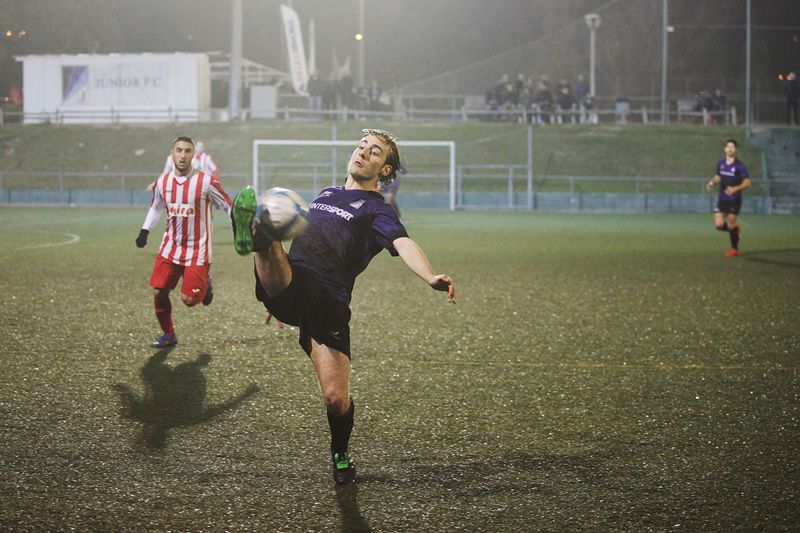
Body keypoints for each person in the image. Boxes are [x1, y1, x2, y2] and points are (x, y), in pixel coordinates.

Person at [230, 129, 456, 485]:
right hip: (291, 282)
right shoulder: (326, 194)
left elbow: (403, 242)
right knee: (271, 236)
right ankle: (256, 230)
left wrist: (428, 275)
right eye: (362, 146)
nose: (364, 153)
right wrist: (276, 300)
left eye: (376, 152)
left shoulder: (376, 209)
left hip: (327, 302)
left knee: (336, 399)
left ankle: (340, 453)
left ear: (386, 171)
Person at [136, 136, 234, 348]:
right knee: (159, 292)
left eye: (187, 151)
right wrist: (145, 231)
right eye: (178, 151)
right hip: (170, 247)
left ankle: (205, 283)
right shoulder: (162, 183)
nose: (182, 155)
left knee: (188, 301)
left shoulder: (206, 182)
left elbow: (228, 205)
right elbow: (156, 207)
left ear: (193, 155)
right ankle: (168, 335)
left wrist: (240, 224)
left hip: (198, 249)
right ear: (172, 154)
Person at [706, 138, 751, 257]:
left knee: (730, 224)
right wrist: (712, 182)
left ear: (736, 150)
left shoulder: (739, 166)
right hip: (722, 199)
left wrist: (735, 188)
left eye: (732, 147)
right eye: (728, 146)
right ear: (725, 149)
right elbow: (719, 175)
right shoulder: (721, 162)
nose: (730, 149)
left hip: (734, 200)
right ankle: (735, 231)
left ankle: (734, 249)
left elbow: (747, 182)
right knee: (719, 225)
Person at [148, 140, 221, 192]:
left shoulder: (191, 158)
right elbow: (165, 173)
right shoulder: (170, 159)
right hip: (174, 187)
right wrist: (154, 184)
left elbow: (200, 170)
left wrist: (211, 181)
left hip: (189, 188)